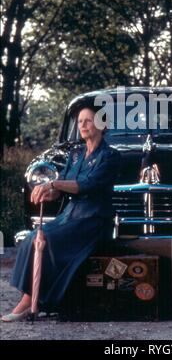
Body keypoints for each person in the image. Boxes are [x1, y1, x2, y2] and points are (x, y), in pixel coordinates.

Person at [1, 106, 121, 322]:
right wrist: (50, 193)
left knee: (46, 240)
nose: (83, 126)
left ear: (102, 125)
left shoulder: (110, 156)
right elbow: (62, 188)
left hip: (93, 219)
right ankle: (31, 297)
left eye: (88, 121)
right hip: (71, 215)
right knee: (32, 239)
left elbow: (88, 184)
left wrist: (53, 183)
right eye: (80, 122)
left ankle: (29, 302)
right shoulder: (75, 155)